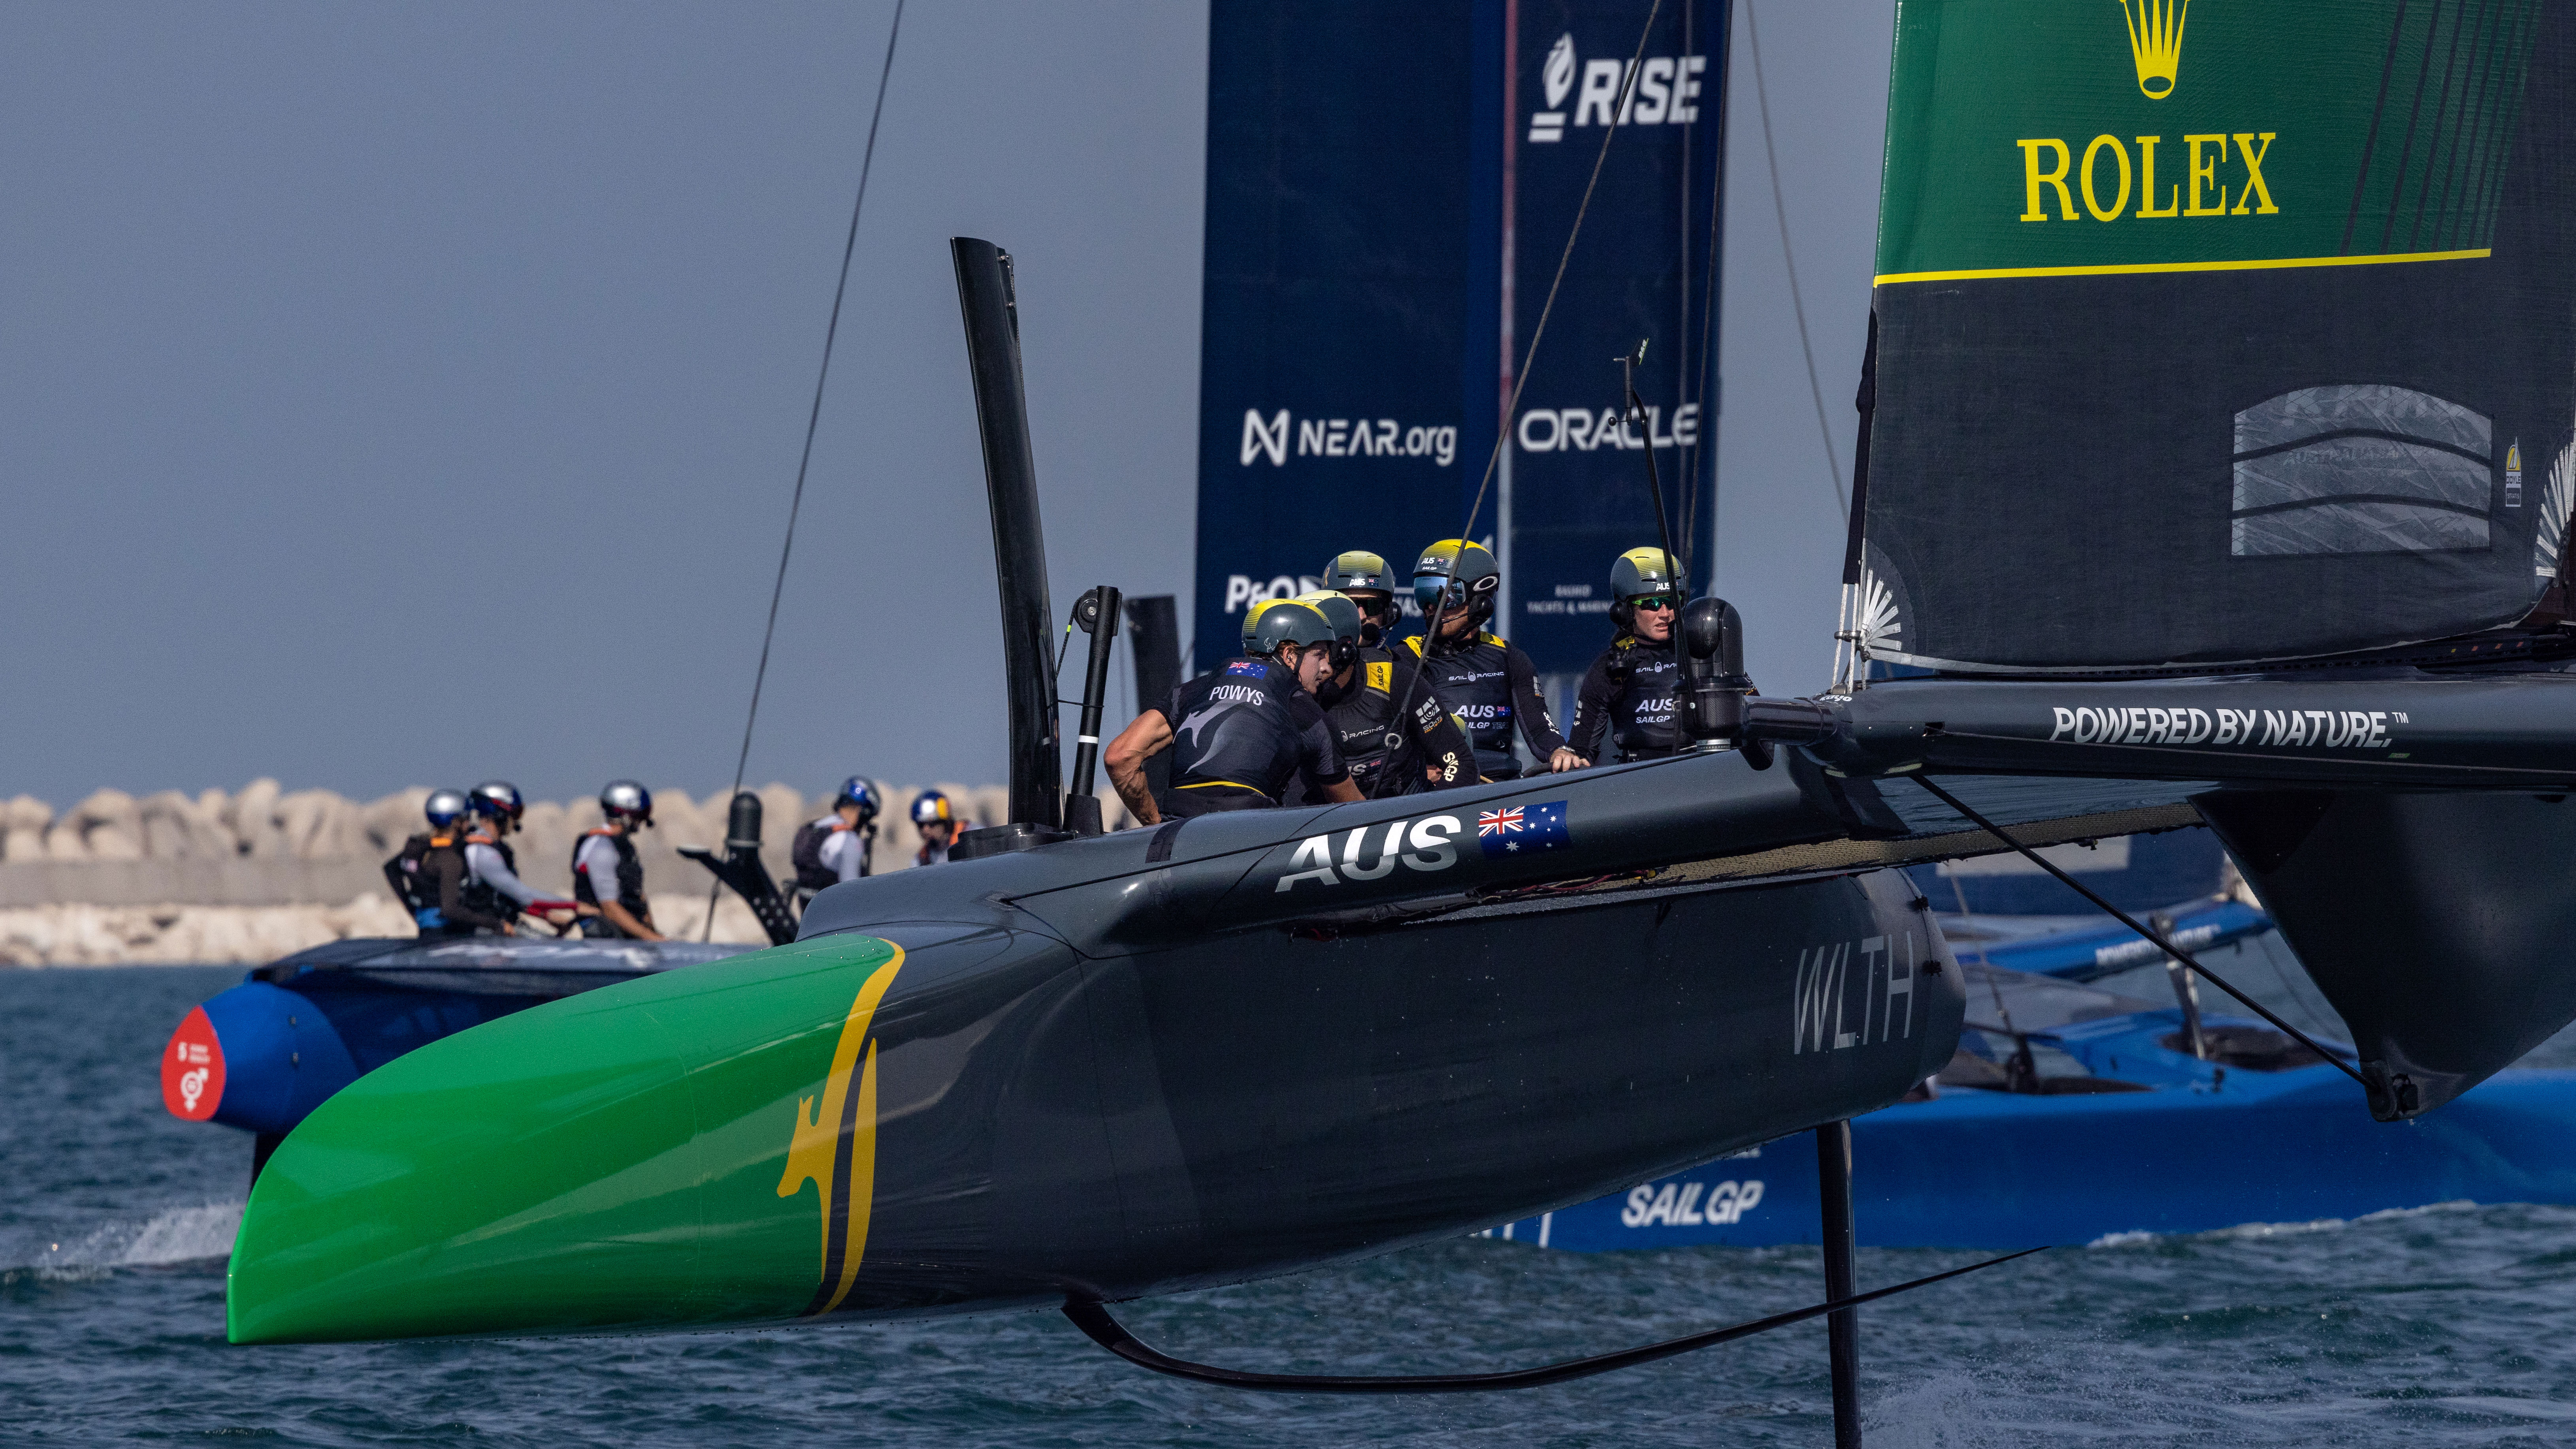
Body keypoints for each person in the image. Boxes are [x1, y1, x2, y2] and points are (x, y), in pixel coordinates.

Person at [1104, 597, 1364, 823]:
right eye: (1319, 655)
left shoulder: (1192, 690)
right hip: (1248, 837)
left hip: (1177, 833)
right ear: (1289, 655)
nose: (1327, 668)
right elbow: (1354, 814)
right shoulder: (1307, 712)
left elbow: (1119, 758)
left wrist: (1155, 824)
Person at [1404, 539, 1583, 779]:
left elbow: (1540, 728)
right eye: (1424, 594)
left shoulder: (1510, 658)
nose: (1430, 607)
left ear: (1480, 600)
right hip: (1439, 789)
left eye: (1444, 595)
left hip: (1499, 788)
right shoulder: (1408, 656)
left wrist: (1560, 751)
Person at [1294, 582, 1471, 800]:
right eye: (1297, 653)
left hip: (1405, 816)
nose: (1299, 664)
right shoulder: (1291, 694)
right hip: (1331, 824)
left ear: (1344, 651)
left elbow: (1460, 762)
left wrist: (1426, 817)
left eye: (1316, 651)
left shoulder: (1395, 679)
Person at [1569, 548, 1686, 766]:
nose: (1664, 613)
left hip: (1699, 774)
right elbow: (1581, 754)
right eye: (1650, 603)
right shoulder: (1611, 666)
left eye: (1671, 602)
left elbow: (1751, 717)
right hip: (1638, 782)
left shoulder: (1702, 654)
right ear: (1625, 610)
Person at [383, 789, 511, 938]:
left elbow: (391, 869)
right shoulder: (450, 858)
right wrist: (496, 924)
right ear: (456, 822)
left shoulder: (421, 847)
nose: (470, 822)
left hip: (427, 933)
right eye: (467, 817)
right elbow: (450, 909)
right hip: (448, 936)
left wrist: (412, 909)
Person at [461, 780, 578, 933]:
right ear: (500, 813)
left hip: (499, 925)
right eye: (515, 813)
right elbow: (524, 895)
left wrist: (546, 916)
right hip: (486, 930)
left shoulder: (495, 849)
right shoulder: (483, 852)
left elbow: (506, 898)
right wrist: (576, 906)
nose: (516, 819)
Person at [573, 780, 664, 940]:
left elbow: (637, 896)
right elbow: (609, 907)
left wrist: (654, 932)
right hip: (605, 938)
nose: (643, 821)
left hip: (629, 933)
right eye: (640, 814)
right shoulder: (601, 848)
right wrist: (651, 937)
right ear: (628, 815)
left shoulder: (624, 847)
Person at [792, 776, 881, 894]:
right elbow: (852, 892)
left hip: (809, 909)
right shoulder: (849, 840)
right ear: (866, 813)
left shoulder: (816, 828)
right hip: (832, 910)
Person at [910, 790, 958, 867]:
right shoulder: (921, 860)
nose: (925, 830)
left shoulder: (970, 834)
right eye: (921, 825)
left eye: (932, 824)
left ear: (946, 823)